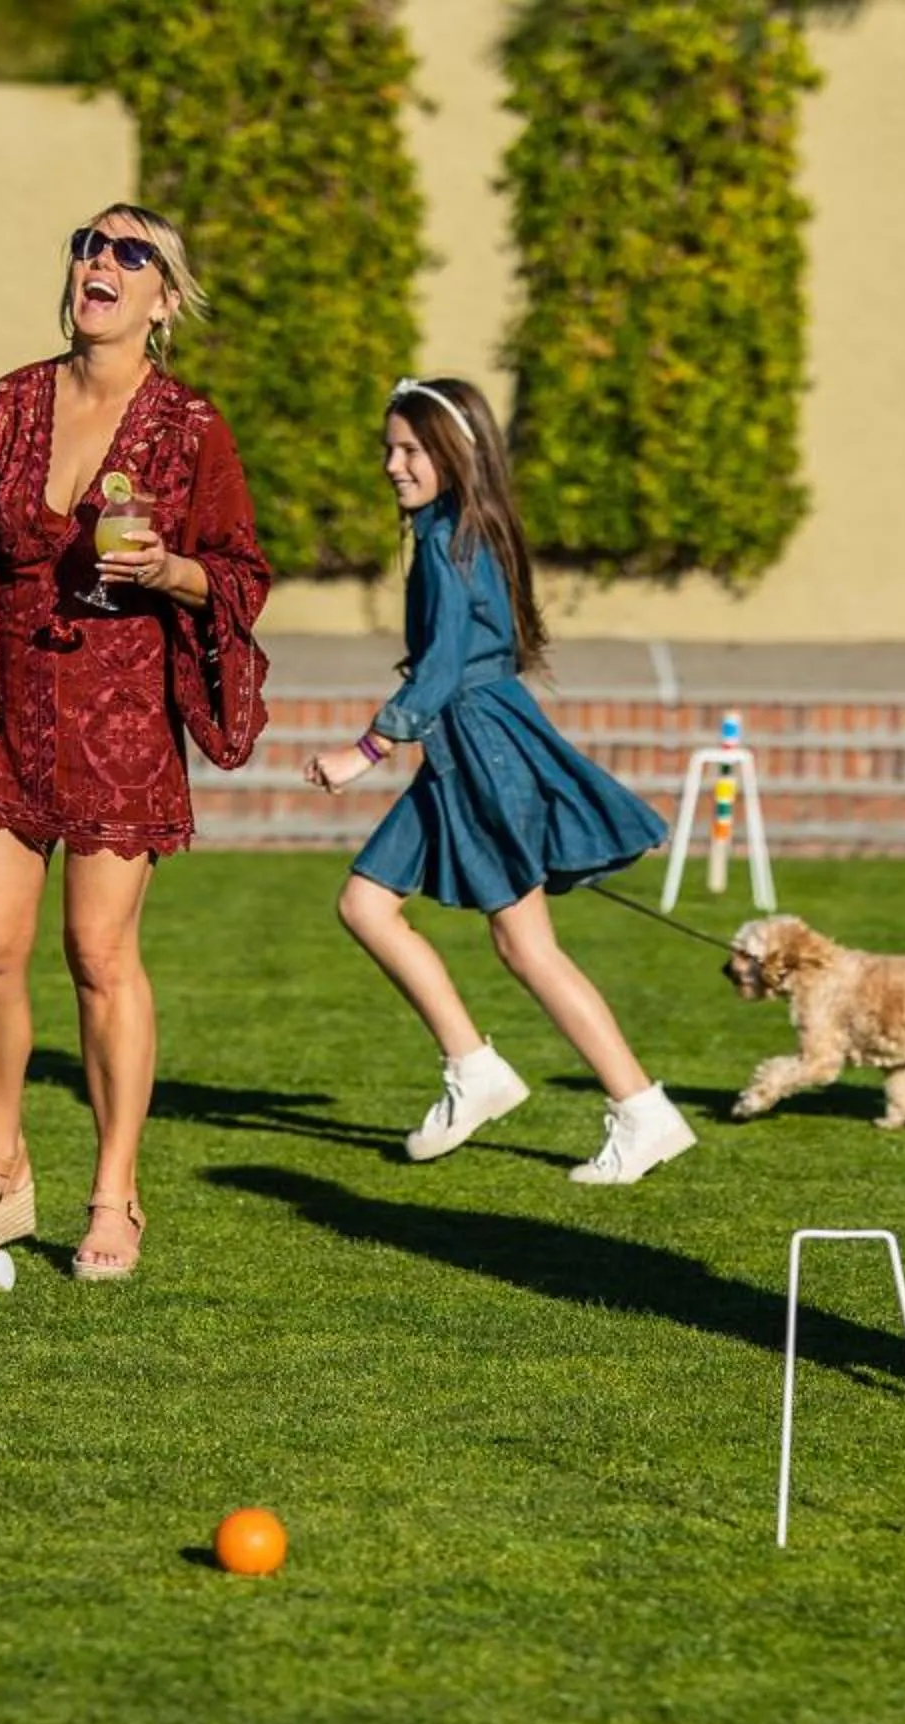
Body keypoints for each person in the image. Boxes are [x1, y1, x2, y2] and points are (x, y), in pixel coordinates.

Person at [0, 205, 271, 1281]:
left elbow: (240, 572)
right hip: (7, 711)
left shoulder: (188, 426)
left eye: (130, 253)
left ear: (163, 297)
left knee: (99, 958)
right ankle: (2, 1164)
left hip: (120, 717)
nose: (101, 264)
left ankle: (115, 1189)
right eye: (89, 247)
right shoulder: (7, 406)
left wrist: (170, 574)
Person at [304, 376, 693, 1185]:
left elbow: (446, 664)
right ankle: (476, 1068)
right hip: (462, 745)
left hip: (483, 750)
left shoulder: (452, 538)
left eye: (410, 449)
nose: (392, 465)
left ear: (453, 454)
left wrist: (364, 751)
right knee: (366, 904)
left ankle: (641, 1110)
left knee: (526, 946)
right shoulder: (453, 531)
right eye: (388, 448)